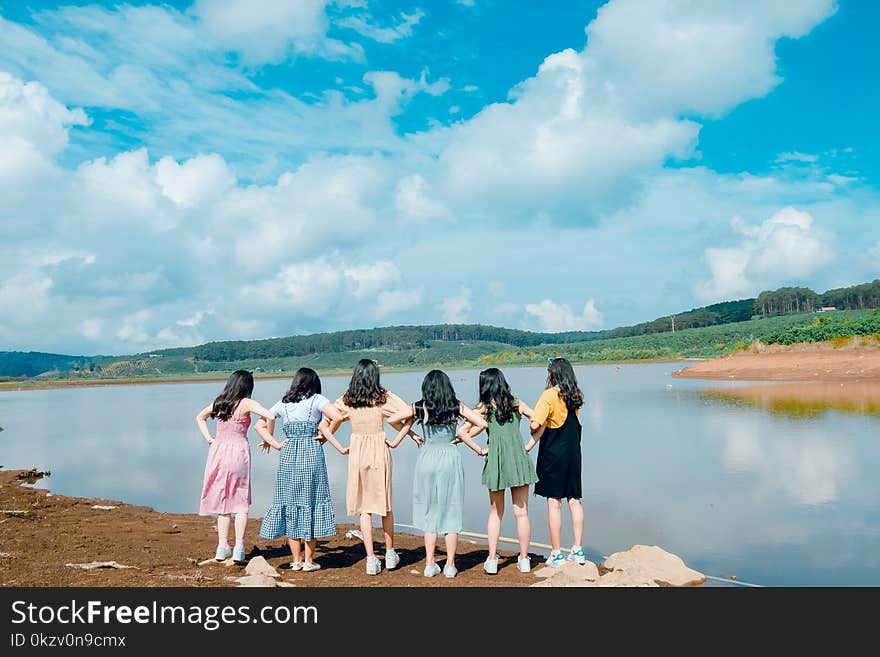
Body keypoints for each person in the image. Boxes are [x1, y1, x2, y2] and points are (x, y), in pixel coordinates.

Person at [325, 359, 422, 575]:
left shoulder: (347, 399)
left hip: (357, 449)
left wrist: (333, 443)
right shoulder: (383, 396)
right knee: (385, 504)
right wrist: (408, 434)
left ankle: (370, 559)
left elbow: (329, 419)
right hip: (379, 447)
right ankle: (389, 554)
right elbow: (409, 413)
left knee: (364, 508)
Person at [388, 370, 487, 578]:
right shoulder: (455, 405)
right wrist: (461, 435)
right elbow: (481, 423)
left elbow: (392, 420)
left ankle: (430, 564)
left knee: (429, 510)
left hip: (427, 458)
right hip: (450, 456)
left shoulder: (419, 406)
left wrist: (413, 433)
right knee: (452, 508)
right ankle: (450, 565)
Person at [255, 368, 348, 572]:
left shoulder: (283, 403)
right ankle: (308, 561)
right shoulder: (317, 399)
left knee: (290, 501)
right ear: (313, 383)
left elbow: (259, 425)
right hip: (311, 453)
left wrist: (276, 443)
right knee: (311, 500)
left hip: (288, 455)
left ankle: (296, 560)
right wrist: (325, 435)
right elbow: (338, 417)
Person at [459, 368, 538, 574]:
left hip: (495, 460)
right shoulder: (516, 403)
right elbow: (541, 419)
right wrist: (531, 443)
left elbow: (462, 432)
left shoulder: (484, 408)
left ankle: (492, 560)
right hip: (519, 459)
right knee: (522, 514)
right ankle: (524, 560)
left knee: (495, 513)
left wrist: (480, 450)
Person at [195, 370, 275, 562]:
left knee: (223, 502)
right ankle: (239, 547)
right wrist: (268, 438)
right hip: (238, 451)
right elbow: (270, 416)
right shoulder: (245, 402)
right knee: (240, 501)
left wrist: (209, 439)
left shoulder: (220, 401)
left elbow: (199, 417)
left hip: (218, 451)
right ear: (247, 386)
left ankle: (222, 547)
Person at [524, 357, 585, 568]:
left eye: (549, 371)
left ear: (553, 374)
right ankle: (577, 549)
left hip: (553, 454)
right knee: (575, 500)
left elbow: (535, 424)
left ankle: (557, 553)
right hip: (573, 454)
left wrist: (530, 415)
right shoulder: (575, 396)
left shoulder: (549, 395)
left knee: (554, 502)